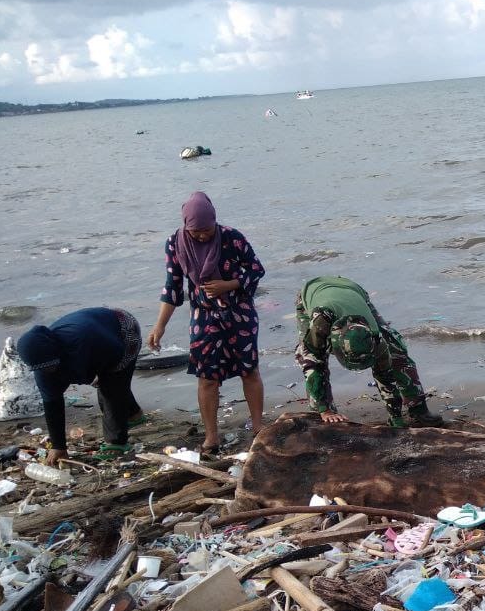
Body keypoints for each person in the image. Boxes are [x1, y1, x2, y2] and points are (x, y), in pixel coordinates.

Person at [147, 191, 264, 455]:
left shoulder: (232, 237)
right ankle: (212, 437)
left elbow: (256, 269)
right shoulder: (175, 244)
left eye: (207, 230)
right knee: (207, 378)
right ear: (186, 226)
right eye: (196, 231)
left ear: (215, 222)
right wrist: (159, 326)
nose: (202, 236)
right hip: (204, 316)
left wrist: (229, 284)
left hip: (239, 313)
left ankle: (258, 428)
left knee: (249, 370)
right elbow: (173, 288)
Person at [294, 275, 443, 427]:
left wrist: (396, 417)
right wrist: (324, 409)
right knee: (312, 357)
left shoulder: (376, 337)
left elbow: (385, 376)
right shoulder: (321, 322)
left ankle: (418, 408)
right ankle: (320, 413)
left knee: (396, 351)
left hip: (352, 290)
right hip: (313, 293)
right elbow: (312, 364)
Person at [17, 308, 145, 465]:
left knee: (111, 386)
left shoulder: (80, 341)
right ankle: (133, 414)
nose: (48, 371)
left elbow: (116, 356)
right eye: (43, 368)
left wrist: (98, 375)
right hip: (98, 336)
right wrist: (58, 446)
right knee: (110, 385)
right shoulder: (42, 367)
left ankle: (117, 443)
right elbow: (52, 403)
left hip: (123, 330)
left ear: (55, 351)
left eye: (50, 366)